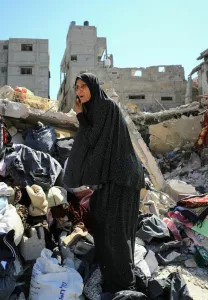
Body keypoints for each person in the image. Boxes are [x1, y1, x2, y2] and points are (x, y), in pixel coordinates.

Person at [63, 73, 145, 293]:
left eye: (83, 87)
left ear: (93, 88)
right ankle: (113, 277)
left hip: (122, 178)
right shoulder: (94, 110)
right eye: (77, 87)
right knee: (101, 223)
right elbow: (92, 141)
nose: (79, 91)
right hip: (111, 178)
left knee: (116, 232)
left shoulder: (106, 107)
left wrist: (80, 116)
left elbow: (91, 139)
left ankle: (125, 286)